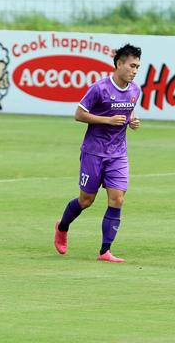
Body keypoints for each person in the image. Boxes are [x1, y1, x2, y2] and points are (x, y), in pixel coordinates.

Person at [53, 44, 142, 262]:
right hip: (94, 152)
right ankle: (62, 226)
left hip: (118, 154)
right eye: (132, 65)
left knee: (117, 199)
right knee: (86, 200)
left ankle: (105, 251)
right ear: (119, 63)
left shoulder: (135, 90)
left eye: (138, 67)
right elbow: (79, 115)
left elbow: (128, 110)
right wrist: (107, 120)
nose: (135, 70)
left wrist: (132, 120)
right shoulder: (99, 88)